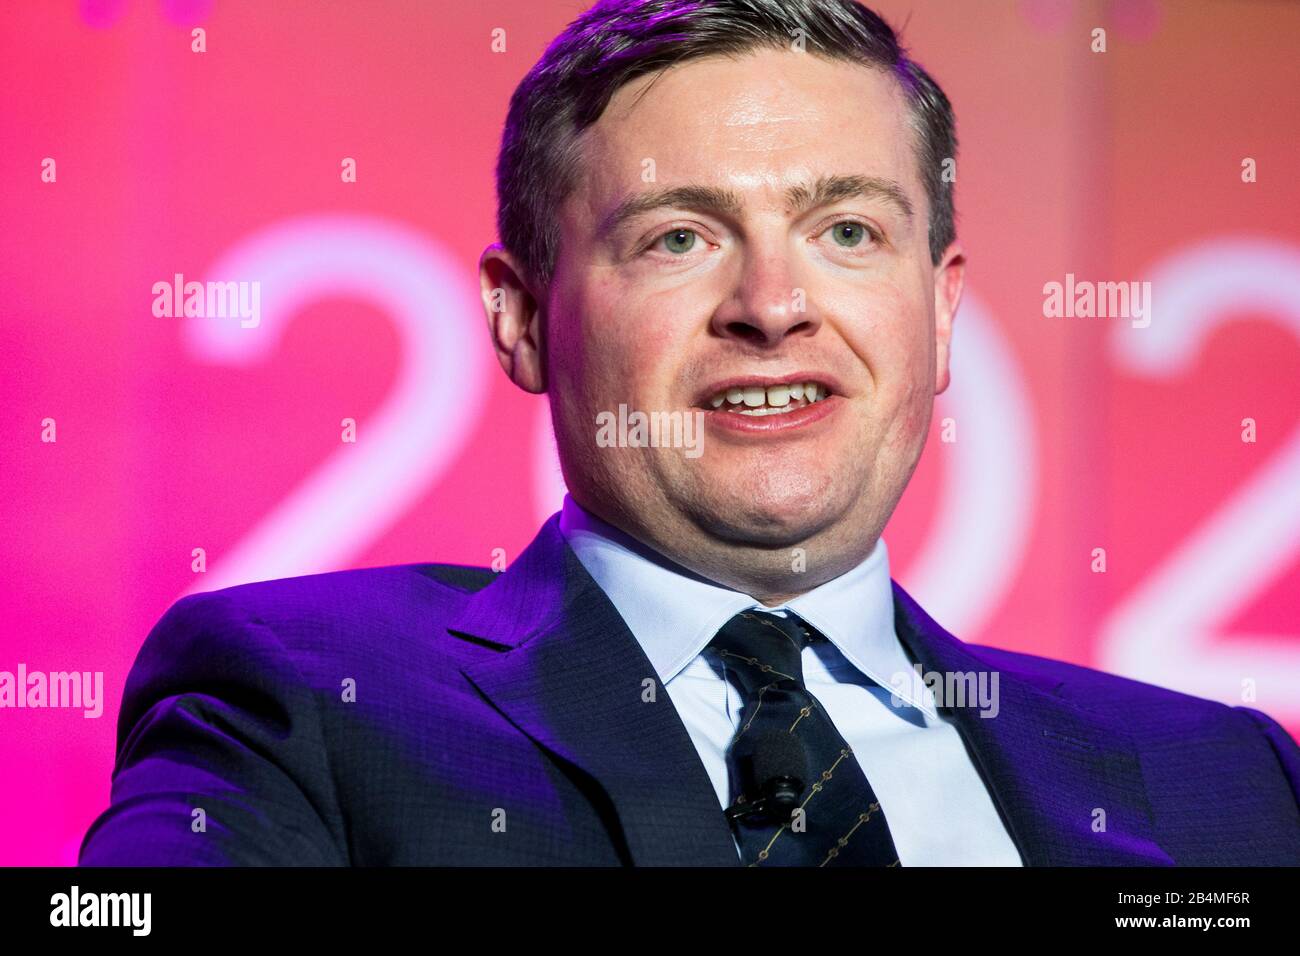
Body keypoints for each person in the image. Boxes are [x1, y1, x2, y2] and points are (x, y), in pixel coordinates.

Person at [80, 0, 1300, 867]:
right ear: (518, 319)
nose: (772, 305)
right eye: (678, 236)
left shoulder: (1222, 782)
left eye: (848, 231)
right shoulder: (304, 703)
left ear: (939, 307)